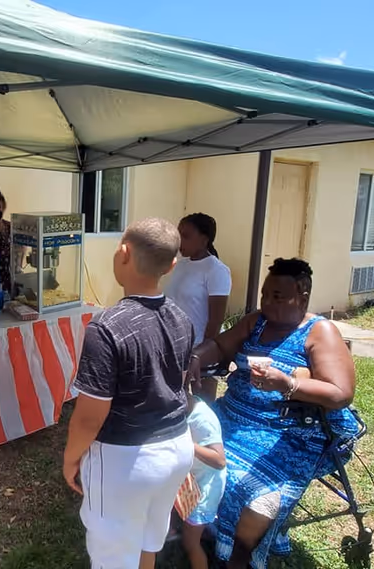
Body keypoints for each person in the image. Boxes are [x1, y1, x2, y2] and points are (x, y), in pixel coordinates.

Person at [185, 258, 360, 569]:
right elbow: (221, 346)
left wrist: (287, 383)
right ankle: (196, 525)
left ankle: (240, 555)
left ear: (302, 297)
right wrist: (198, 355)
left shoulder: (320, 332)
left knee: (255, 492)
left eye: (276, 296)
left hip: (289, 431)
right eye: (265, 294)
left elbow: (340, 394)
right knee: (180, 447)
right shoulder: (257, 322)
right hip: (235, 416)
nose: (266, 301)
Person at [63, 217, 196, 569]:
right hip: (177, 449)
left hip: (127, 460)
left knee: (112, 557)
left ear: (122, 254)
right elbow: (179, 383)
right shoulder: (182, 318)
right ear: (171, 265)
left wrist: (71, 459)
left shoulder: (106, 327)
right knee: (147, 543)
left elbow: (91, 416)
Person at [165, 213, 232, 397]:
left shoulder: (216, 270)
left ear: (204, 240)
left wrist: (202, 354)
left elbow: (215, 321)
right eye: (178, 235)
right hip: (174, 345)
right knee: (177, 400)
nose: (180, 241)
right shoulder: (180, 265)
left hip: (197, 349)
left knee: (201, 402)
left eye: (186, 236)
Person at [181, 389, 227, 569]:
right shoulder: (186, 406)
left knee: (190, 544)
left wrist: (186, 444)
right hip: (192, 482)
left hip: (205, 491)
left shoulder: (203, 419)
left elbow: (219, 460)